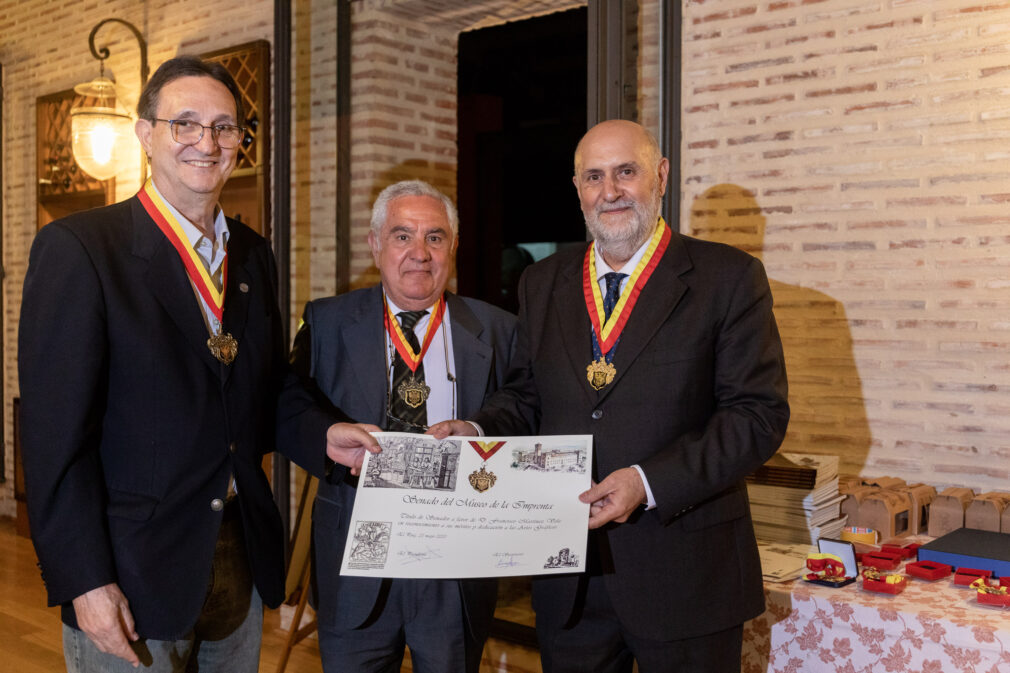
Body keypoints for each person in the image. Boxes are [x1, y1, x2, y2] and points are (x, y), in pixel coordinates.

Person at [18, 55, 374, 673]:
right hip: (130, 569)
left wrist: (323, 433)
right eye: (185, 123)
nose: (205, 143)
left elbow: (263, 389)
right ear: (145, 133)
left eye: (224, 127)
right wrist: (84, 581)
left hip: (237, 555)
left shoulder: (254, 253)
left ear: (239, 140)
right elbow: (54, 440)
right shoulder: (80, 249)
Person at [431, 119, 790, 673]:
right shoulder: (543, 282)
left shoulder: (729, 278)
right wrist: (476, 429)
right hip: (568, 577)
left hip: (685, 574)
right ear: (577, 189)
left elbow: (756, 417)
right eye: (594, 177)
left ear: (661, 176)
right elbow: (528, 395)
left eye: (627, 171)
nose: (611, 190)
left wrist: (646, 482)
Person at [276, 179, 519, 673]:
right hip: (357, 557)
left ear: (453, 246)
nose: (419, 253)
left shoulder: (497, 328)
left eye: (435, 237)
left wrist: (476, 428)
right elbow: (286, 403)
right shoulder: (325, 321)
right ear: (375, 243)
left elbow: (523, 404)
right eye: (402, 235)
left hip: (453, 562)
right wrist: (325, 436)